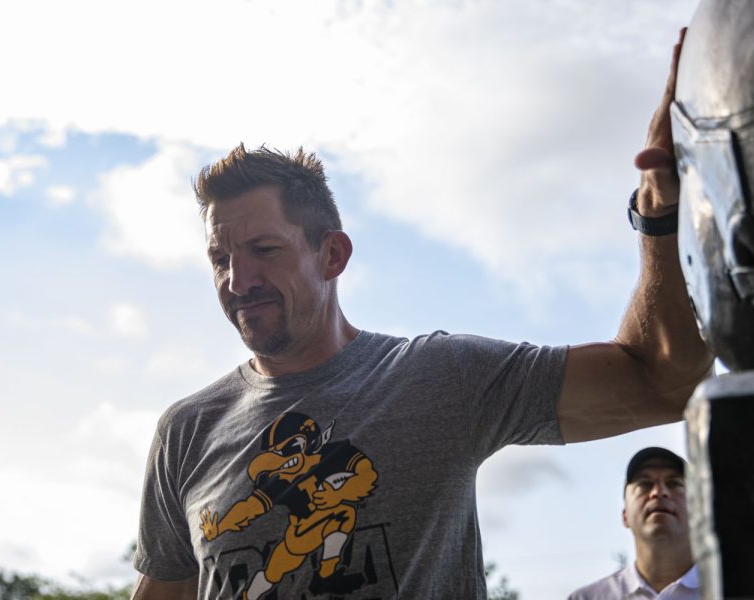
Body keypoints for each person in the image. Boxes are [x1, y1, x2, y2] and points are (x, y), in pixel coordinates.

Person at [130, 29, 713, 600]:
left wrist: (659, 214)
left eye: (263, 251)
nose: (238, 281)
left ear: (331, 254)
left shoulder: (437, 376)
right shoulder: (187, 430)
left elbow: (661, 382)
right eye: (219, 258)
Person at [568, 447, 698, 599]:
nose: (658, 491)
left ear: (699, 514)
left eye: (674, 483)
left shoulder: (727, 590)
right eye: (644, 484)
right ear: (625, 516)